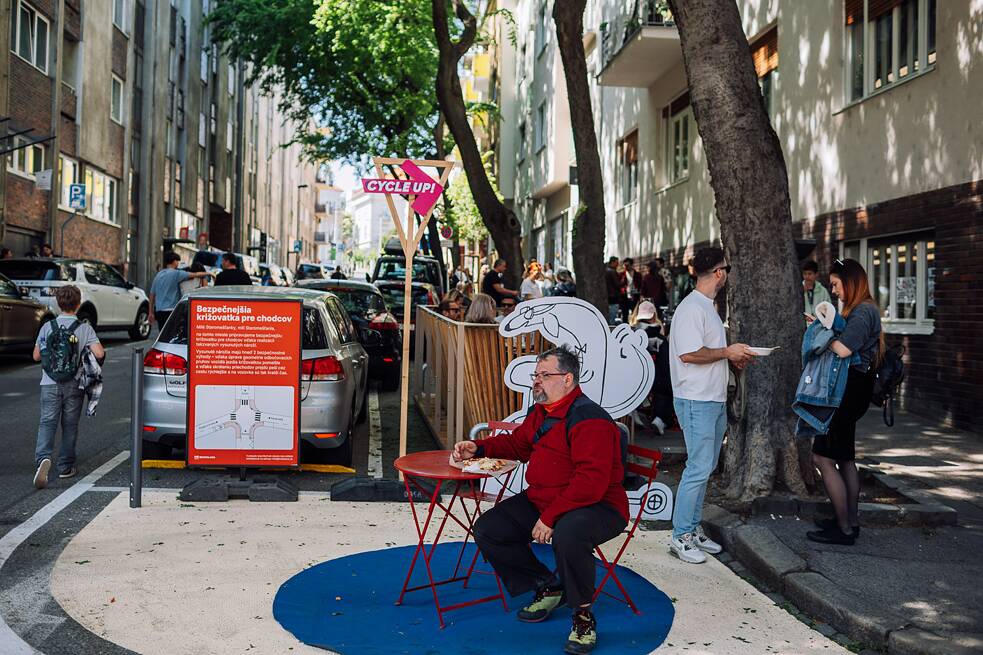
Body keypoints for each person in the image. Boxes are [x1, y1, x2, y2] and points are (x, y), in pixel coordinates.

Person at [457, 345, 628, 655]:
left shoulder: (590, 419)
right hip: (546, 499)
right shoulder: (542, 412)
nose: (536, 381)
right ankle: (550, 586)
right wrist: (479, 449)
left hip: (598, 505)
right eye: (535, 375)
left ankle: (583, 618)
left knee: (569, 534)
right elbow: (520, 445)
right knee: (489, 529)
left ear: (567, 379)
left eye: (544, 375)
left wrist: (551, 517)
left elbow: (592, 482)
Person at [668, 247, 756, 564]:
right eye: (726, 270)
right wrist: (727, 353)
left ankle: (690, 530)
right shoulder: (693, 308)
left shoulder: (705, 307)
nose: (726, 275)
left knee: (704, 467)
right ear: (719, 272)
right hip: (696, 398)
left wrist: (732, 360)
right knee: (698, 467)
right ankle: (680, 535)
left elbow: (705, 352)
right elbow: (689, 354)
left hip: (710, 398)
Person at [807, 258, 883, 546]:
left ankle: (844, 528)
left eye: (837, 285)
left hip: (847, 394)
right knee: (845, 458)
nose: (835, 291)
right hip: (854, 392)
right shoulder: (867, 310)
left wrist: (821, 330)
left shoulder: (863, 313)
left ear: (850, 282)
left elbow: (841, 348)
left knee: (823, 457)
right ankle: (849, 521)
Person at [31, 285, 105, 487]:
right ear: (79, 305)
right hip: (74, 383)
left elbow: (36, 355)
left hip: (49, 383)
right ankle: (65, 466)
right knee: (70, 425)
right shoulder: (85, 328)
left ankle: (43, 459)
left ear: (58, 303)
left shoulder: (48, 327)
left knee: (47, 422)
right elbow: (99, 353)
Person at [149, 252, 209, 329]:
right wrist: (209, 273)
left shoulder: (159, 275)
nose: (178, 263)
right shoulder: (176, 273)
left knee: (162, 334)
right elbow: (196, 274)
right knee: (172, 334)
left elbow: (152, 294)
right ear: (174, 261)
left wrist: (150, 312)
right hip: (171, 310)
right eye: (177, 261)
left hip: (159, 311)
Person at [619, 258, 642, 323]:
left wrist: (638, 292)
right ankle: (625, 329)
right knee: (625, 315)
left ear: (631, 265)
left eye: (627, 265)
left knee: (635, 314)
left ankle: (634, 328)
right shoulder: (621, 275)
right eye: (625, 265)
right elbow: (619, 286)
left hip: (635, 296)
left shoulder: (637, 275)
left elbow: (640, 285)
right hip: (624, 297)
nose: (626, 267)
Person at [604, 257, 621, 324]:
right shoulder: (612, 271)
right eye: (617, 262)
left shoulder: (605, 270)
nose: (618, 264)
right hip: (613, 296)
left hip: (607, 296)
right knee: (612, 316)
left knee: (609, 316)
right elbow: (617, 284)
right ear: (612, 262)